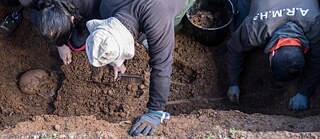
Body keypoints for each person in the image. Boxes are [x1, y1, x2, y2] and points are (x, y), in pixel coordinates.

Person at [85, 0, 194, 136]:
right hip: (152, 12)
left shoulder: (158, 18)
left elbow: (162, 65)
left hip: (162, 8)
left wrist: (155, 111)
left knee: (174, 24)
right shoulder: (106, 6)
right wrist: (116, 61)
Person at [227, 0, 320, 111]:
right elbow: (235, 47)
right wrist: (233, 83)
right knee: (240, 16)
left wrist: (304, 92)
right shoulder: (254, 28)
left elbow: (317, 60)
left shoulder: (315, 24)